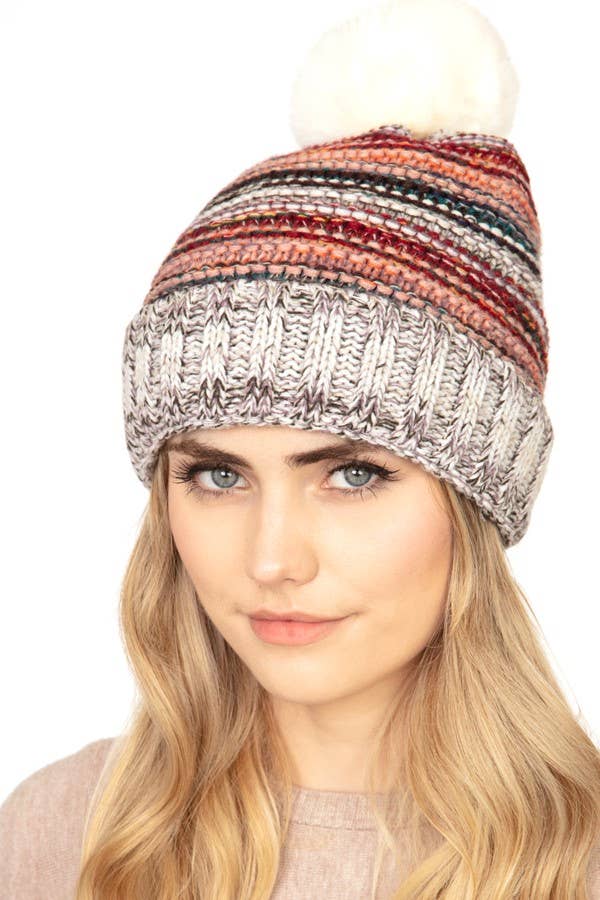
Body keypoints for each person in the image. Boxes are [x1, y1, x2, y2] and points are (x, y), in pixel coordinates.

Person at [2, 0, 599, 897]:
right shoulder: (65, 836)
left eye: (353, 474)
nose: (272, 560)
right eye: (217, 475)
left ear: (477, 499)